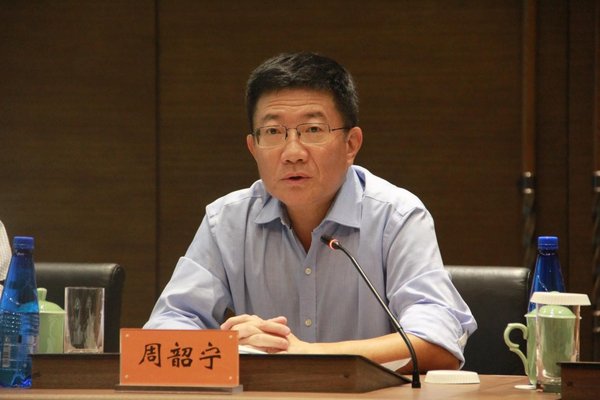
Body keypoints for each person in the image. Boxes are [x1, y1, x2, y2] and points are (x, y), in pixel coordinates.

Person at [144, 52, 477, 371]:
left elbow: (438, 344)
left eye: (313, 130)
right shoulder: (227, 221)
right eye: (273, 132)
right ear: (253, 148)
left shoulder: (397, 217)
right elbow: (160, 336)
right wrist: (230, 346)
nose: (292, 153)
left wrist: (305, 355)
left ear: (351, 144)